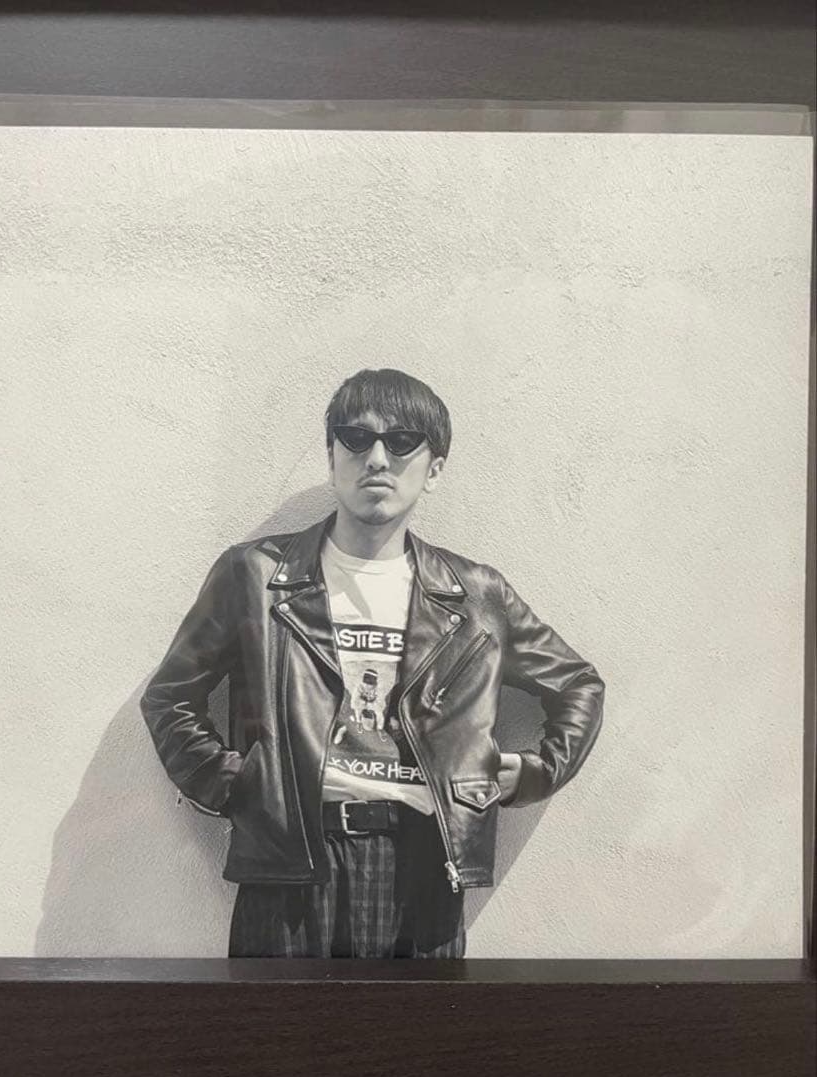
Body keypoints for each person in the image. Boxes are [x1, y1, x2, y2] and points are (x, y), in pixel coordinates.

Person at [140, 368, 605, 958]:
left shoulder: (476, 596)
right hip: (290, 875)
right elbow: (170, 698)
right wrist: (242, 786)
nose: (377, 459)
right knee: (275, 1022)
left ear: (434, 468)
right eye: (356, 439)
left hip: (425, 872)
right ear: (332, 456)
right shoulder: (255, 576)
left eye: (403, 441)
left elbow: (579, 684)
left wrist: (534, 772)